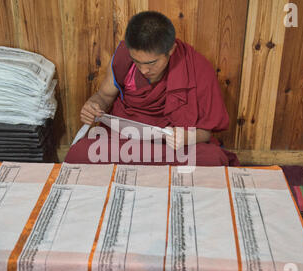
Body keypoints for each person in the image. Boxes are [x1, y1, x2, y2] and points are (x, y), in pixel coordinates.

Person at [65, 11, 239, 166]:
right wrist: (93, 105)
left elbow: (205, 133)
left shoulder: (197, 67)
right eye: (136, 61)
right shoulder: (123, 56)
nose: (143, 70)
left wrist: (186, 137)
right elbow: (103, 96)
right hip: (125, 142)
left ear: (171, 50)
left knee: (212, 158)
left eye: (151, 63)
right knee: (79, 153)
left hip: (170, 148)